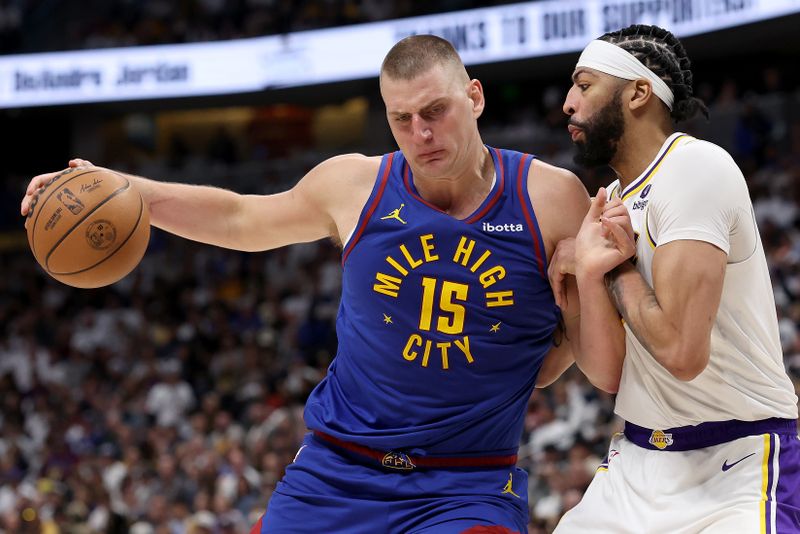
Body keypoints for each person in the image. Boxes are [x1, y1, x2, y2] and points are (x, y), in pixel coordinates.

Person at [22, 35, 596, 533]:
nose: (420, 133)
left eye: (435, 111)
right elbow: (240, 219)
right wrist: (120, 188)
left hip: (466, 484)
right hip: (336, 472)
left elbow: (572, 341)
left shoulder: (550, 197)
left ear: (475, 97)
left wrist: (556, 342)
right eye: (401, 119)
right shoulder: (353, 184)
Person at [549, 24, 800, 532]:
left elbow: (683, 354)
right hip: (638, 459)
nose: (568, 104)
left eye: (584, 84)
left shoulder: (694, 167)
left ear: (638, 92)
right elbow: (608, 375)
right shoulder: (614, 199)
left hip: (737, 458)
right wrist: (587, 277)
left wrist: (616, 267)